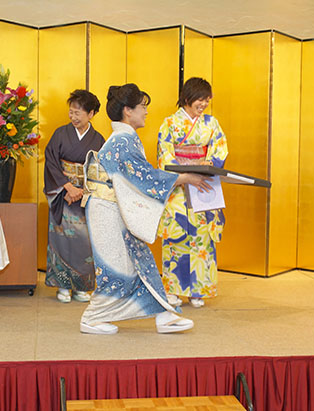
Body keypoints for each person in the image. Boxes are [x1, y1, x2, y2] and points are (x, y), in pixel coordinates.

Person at [79, 83, 212, 335]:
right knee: (116, 266)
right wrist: (184, 177)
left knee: (140, 260)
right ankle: (93, 317)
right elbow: (144, 176)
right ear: (128, 111)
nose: (146, 112)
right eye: (142, 107)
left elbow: (140, 176)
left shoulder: (126, 138)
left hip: (115, 206)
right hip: (106, 209)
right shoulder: (122, 141)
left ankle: (164, 316)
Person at [156, 77, 228, 308]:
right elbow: (164, 155)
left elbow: (219, 147)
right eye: (200, 99)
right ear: (187, 98)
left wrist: (206, 169)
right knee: (177, 234)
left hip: (204, 184)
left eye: (207, 99)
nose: (204, 104)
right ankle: (173, 288)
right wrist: (185, 175)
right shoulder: (169, 123)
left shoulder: (212, 123)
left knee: (202, 238)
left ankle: (198, 290)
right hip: (179, 186)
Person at [43, 90, 105, 303]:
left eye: (78, 113)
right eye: (71, 112)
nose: (73, 117)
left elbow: (100, 170)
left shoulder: (98, 139)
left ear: (91, 113)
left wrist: (84, 191)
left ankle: (80, 287)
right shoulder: (60, 134)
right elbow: (51, 162)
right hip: (63, 194)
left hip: (85, 197)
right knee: (61, 239)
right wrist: (67, 187)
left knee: (84, 242)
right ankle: (62, 286)